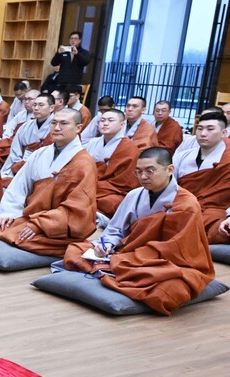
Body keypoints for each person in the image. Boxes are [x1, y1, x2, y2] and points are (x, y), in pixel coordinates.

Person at [63, 147, 214, 315]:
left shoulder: (186, 204)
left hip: (163, 262)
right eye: (138, 171)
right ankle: (113, 269)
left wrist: (127, 259)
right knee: (75, 249)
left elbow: (177, 249)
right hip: (128, 255)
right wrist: (107, 245)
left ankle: (108, 270)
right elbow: (115, 229)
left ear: (170, 170)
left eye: (150, 171)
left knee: (169, 292)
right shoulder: (134, 195)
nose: (143, 177)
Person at [0, 108, 98, 256]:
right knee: (1, 229)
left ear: (78, 128)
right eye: (54, 123)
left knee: (15, 235)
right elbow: (19, 186)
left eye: (64, 123)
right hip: (31, 217)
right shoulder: (40, 153)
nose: (57, 128)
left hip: (57, 226)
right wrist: (9, 213)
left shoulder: (84, 163)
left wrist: (40, 224)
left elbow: (77, 208)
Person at [173, 111, 230, 244]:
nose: (203, 134)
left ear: (223, 133)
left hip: (215, 212)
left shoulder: (227, 158)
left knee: (218, 228)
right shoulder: (182, 156)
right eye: (200, 128)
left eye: (210, 129)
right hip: (181, 206)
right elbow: (169, 186)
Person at [84, 108, 140, 222]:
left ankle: (97, 218)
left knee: (110, 203)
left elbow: (125, 182)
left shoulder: (129, 148)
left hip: (114, 190)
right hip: (90, 184)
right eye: (102, 120)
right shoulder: (92, 143)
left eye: (110, 120)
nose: (105, 123)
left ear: (122, 124)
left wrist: (97, 186)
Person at [0, 93, 55, 179]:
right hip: (20, 164)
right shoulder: (26, 126)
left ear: (51, 108)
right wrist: (19, 164)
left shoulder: (57, 128)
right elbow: (15, 149)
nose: (36, 108)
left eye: (41, 105)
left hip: (42, 169)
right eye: (35, 105)